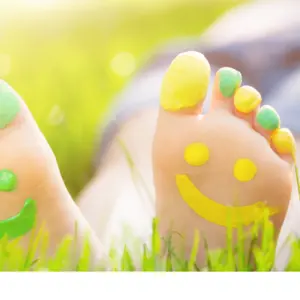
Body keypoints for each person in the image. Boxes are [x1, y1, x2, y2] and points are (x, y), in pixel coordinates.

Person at [0, 0, 299, 270]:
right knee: (173, 124)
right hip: (230, 45)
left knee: (147, 145)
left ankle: (85, 254)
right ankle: (208, 265)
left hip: (231, 45)